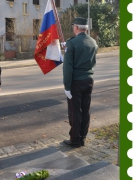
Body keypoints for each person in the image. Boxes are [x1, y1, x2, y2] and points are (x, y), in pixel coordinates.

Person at [62, 17, 98, 148]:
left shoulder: (72, 43)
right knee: (86, 109)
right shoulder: (93, 42)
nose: (73, 28)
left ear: (76, 27)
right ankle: (82, 137)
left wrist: (67, 86)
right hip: (89, 79)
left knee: (75, 111)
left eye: (73, 26)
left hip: (76, 82)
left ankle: (75, 140)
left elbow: (68, 67)